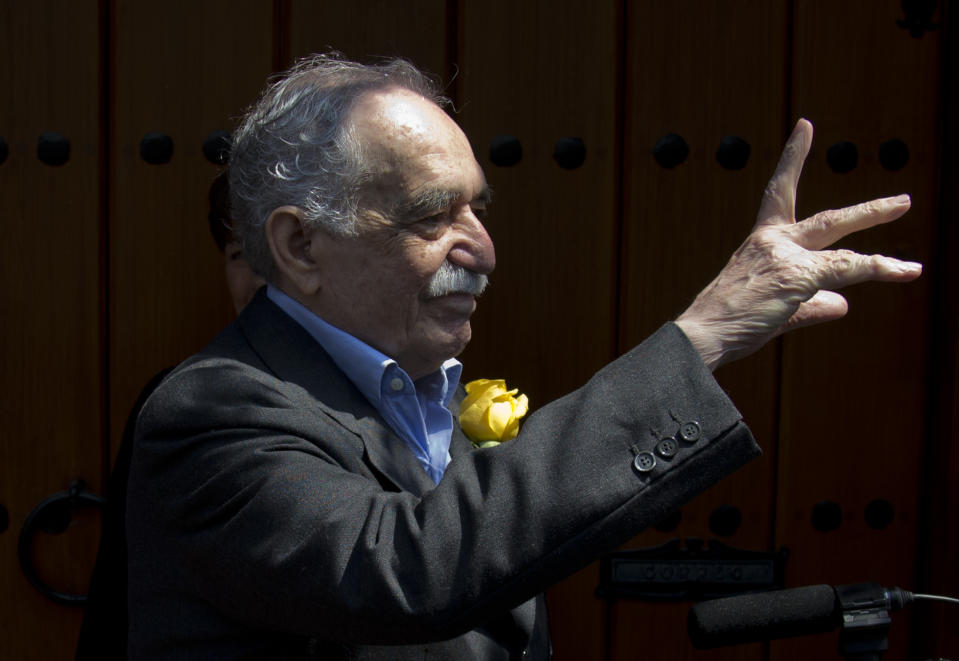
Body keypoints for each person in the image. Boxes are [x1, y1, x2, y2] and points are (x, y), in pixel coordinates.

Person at [125, 55, 921, 660]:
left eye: (477, 207)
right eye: (433, 214)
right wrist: (699, 337)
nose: (481, 249)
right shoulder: (214, 412)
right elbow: (407, 567)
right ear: (300, 245)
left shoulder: (428, 392)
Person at [76, 171, 264, 660]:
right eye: (240, 255)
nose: (259, 281)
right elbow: (117, 589)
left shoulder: (415, 395)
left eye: (273, 257)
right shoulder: (180, 400)